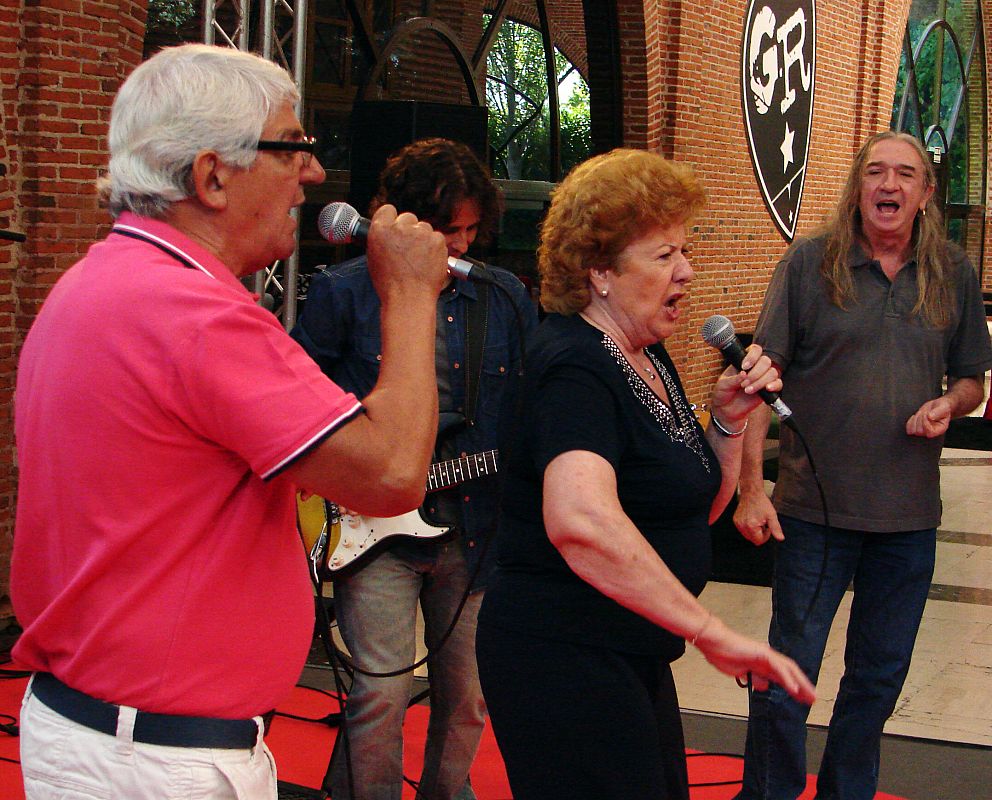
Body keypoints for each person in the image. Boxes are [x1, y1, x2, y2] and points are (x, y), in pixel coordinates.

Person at [10, 44, 451, 800]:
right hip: (157, 756)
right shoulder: (193, 314)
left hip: (108, 731)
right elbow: (390, 473)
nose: (312, 175)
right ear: (212, 176)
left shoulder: (96, 281)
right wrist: (410, 295)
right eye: (292, 148)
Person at [473, 148, 817, 800]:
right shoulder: (573, 364)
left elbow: (694, 510)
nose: (686, 272)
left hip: (629, 655)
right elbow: (579, 522)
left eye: (683, 253)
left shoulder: (646, 355)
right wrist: (711, 632)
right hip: (563, 657)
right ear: (599, 272)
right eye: (664, 257)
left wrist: (727, 421)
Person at [733, 131, 992, 800]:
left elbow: (973, 381)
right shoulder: (810, 263)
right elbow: (762, 377)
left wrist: (948, 403)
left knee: (876, 682)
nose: (889, 184)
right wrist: (748, 489)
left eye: (905, 174)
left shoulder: (955, 272)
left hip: (907, 522)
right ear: (857, 185)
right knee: (787, 674)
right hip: (812, 513)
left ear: (926, 193)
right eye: (876, 171)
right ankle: (769, 794)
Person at [291, 138, 537, 800]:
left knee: (467, 700)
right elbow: (302, 409)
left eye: (467, 231)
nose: (457, 247)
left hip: (475, 527)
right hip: (374, 531)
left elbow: (524, 412)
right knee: (379, 694)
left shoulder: (505, 297)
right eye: (443, 231)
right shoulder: (342, 293)